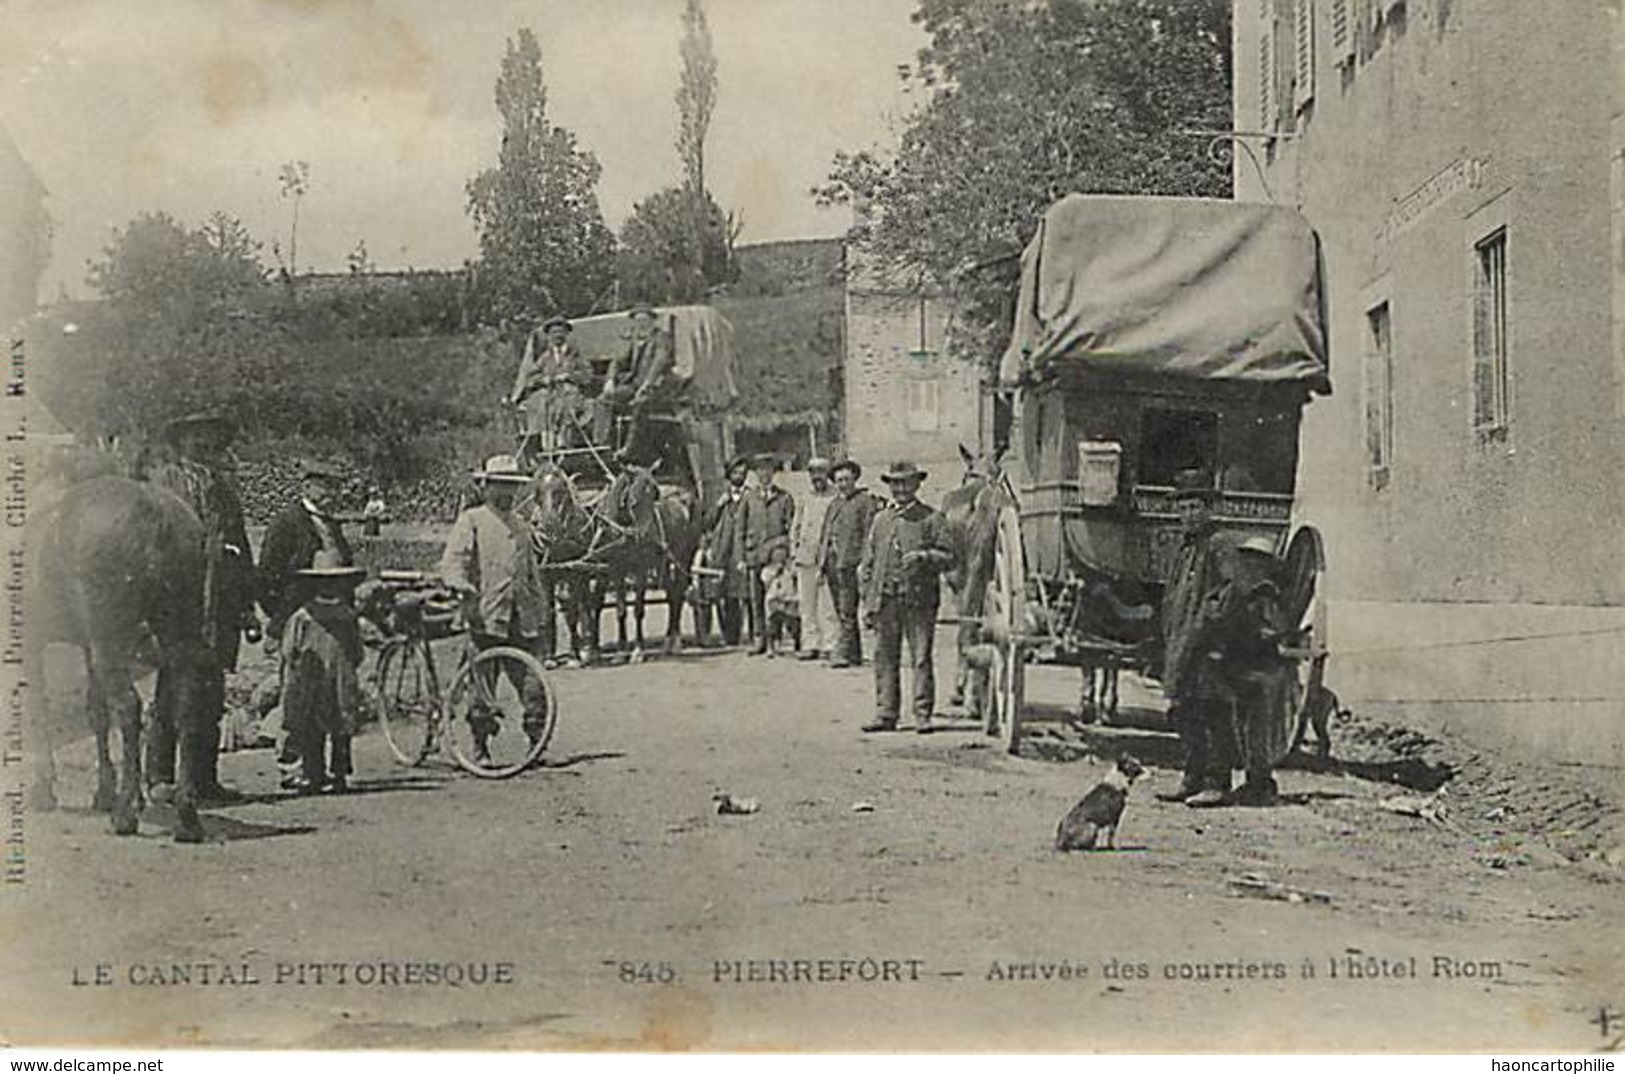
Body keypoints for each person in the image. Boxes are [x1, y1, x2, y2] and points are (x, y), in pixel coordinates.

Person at [143, 410, 259, 804]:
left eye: (212, 440)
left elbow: (241, 549)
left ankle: (204, 779)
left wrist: (246, 608)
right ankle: (160, 776)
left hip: (220, 604)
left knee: (211, 692)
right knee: (172, 686)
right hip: (178, 602)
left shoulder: (225, 491)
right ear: (181, 442)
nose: (206, 446)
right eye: (197, 438)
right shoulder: (163, 485)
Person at [440, 454, 553, 763]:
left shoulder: (521, 526)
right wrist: (460, 584)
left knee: (533, 686)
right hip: (485, 616)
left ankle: (535, 742)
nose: (506, 493)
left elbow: (531, 573)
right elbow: (454, 561)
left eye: (511, 487)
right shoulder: (472, 520)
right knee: (482, 689)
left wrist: (541, 609)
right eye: (499, 486)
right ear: (487, 487)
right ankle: (480, 747)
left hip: (521, 618)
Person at [1198, 535, 1298, 807]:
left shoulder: (1266, 595)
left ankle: (1253, 784)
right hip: (1237, 666)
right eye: (1248, 559)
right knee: (1230, 723)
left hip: (1257, 670)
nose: (1252, 565)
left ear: (1266, 565)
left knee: (1252, 730)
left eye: (1258, 560)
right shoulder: (1238, 590)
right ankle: (1243, 782)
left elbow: (1275, 630)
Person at [1154, 469, 1235, 807]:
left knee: (1212, 710)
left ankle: (1218, 782)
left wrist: (1207, 625)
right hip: (1182, 642)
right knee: (1184, 710)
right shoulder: (1184, 548)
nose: (1189, 514)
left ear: (1208, 509)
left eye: (1195, 507)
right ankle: (1192, 777)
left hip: (1208, 645)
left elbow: (1229, 591)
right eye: (1184, 507)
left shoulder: (1219, 545)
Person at [858, 461, 954, 734]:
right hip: (886, 599)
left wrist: (925, 557)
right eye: (895, 483)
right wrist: (868, 601)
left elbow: (951, 558)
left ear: (917, 485)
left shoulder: (931, 518)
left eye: (906, 483)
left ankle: (922, 714)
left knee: (921, 657)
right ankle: (886, 713)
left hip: (919, 601)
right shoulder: (880, 520)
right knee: (884, 657)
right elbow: (868, 564)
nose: (900, 489)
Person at [279, 550, 367, 795]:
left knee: (316, 726)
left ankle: (316, 774)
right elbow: (357, 652)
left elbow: (289, 650)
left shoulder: (303, 616)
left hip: (315, 678)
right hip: (334, 677)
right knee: (336, 726)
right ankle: (334, 773)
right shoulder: (341, 616)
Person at [260, 458, 355, 643]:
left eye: (336, 488)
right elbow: (267, 576)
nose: (332, 493)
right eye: (325, 486)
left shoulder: (332, 525)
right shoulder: (287, 522)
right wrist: (281, 620)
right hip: (301, 621)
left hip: (336, 618)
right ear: (307, 487)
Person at [595, 303, 675, 463]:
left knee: (640, 403)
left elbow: (659, 363)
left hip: (658, 387)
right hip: (635, 385)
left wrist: (647, 385)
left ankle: (630, 449)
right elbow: (618, 361)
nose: (641, 324)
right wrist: (610, 380)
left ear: (652, 321)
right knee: (603, 400)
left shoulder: (662, 337)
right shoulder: (634, 339)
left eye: (644, 319)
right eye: (637, 320)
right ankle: (602, 444)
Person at [820, 459, 880, 668]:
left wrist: (865, 561)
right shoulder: (834, 504)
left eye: (847, 479)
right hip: (834, 564)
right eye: (839, 480)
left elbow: (869, 534)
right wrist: (822, 563)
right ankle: (853, 653)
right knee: (841, 609)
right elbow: (826, 533)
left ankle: (843, 651)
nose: (843, 484)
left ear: (855, 479)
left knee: (848, 609)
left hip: (853, 563)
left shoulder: (865, 501)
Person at [734, 453, 795, 655]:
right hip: (753, 556)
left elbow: (791, 528)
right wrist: (741, 557)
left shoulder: (784, 497)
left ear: (774, 473)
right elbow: (739, 530)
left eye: (768, 470)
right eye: (760, 470)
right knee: (755, 599)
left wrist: (784, 552)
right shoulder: (748, 498)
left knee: (775, 600)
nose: (764, 474)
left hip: (775, 558)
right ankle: (759, 639)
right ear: (756, 474)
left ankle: (775, 639)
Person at [512, 314, 592, 453]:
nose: (557, 336)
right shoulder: (545, 357)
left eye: (561, 332)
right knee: (538, 401)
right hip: (549, 392)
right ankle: (545, 442)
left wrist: (570, 376)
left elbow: (587, 375)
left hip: (569, 391)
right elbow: (529, 377)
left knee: (568, 401)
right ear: (549, 336)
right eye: (554, 333)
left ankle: (564, 441)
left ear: (566, 334)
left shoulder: (575, 355)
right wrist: (544, 379)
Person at [697, 456, 751, 646]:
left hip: (739, 550)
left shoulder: (750, 496)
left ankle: (744, 634)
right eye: (736, 473)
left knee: (740, 593)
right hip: (722, 549)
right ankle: (726, 632)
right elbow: (707, 523)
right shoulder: (719, 497)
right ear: (729, 475)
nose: (740, 477)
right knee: (721, 591)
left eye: (743, 474)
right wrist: (719, 505)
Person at [789, 457, 839, 661]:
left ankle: (830, 643)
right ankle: (810, 643)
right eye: (813, 473)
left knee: (827, 604)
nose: (817, 477)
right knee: (806, 604)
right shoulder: (804, 497)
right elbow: (796, 525)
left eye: (821, 472)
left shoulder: (834, 498)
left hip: (826, 557)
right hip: (805, 556)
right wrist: (794, 552)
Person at [760, 538, 800, 657]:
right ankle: (772, 645)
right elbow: (765, 581)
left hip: (789, 599)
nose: (779, 557)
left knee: (793, 622)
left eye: (782, 554)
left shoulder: (790, 569)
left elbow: (795, 575)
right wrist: (775, 571)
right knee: (772, 623)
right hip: (773, 600)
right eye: (776, 554)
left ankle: (797, 641)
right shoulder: (767, 570)